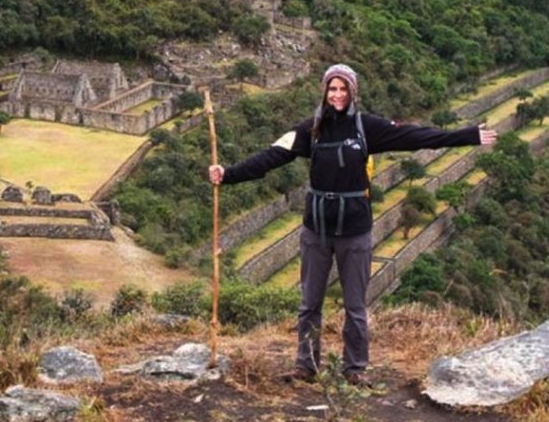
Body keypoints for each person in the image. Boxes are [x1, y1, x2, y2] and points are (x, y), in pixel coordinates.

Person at [209, 63, 497, 386]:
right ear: (324, 92)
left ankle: (355, 369)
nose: (337, 95)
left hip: (355, 231)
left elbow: (416, 137)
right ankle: (306, 365)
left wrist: (467, 136)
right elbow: (270, 156)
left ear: (353, 92)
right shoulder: (310, 129)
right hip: (316, 229)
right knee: (309, 304)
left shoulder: (366, 127)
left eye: (343, 89)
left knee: (355, 306)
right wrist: (228, 174)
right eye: (332, 89)